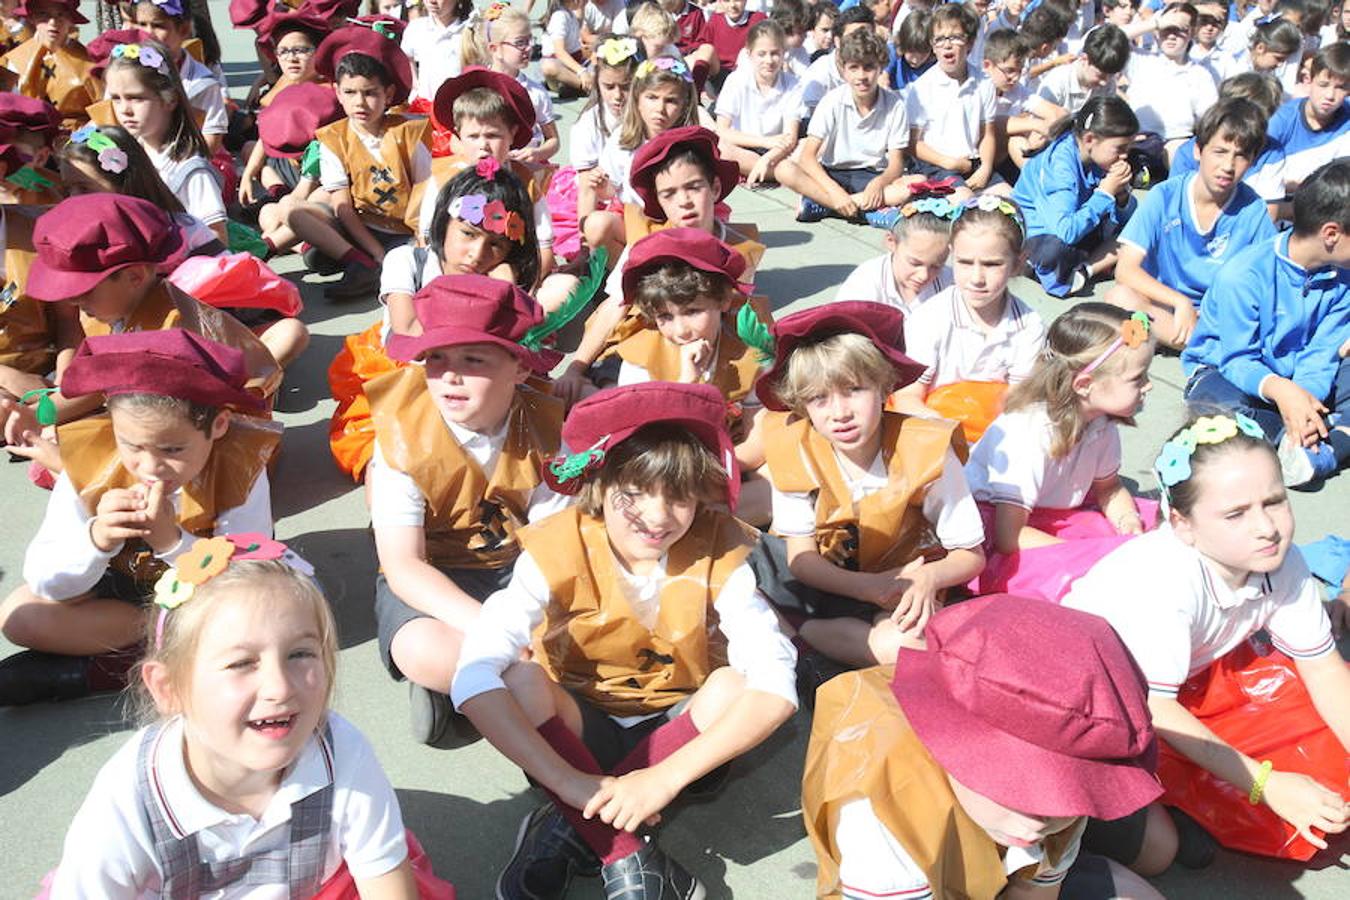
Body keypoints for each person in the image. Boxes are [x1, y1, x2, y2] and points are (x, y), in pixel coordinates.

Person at [450, 381, 796, 899]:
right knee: (519, 678)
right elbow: (472, 675)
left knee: (733, 684)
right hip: (580, 727)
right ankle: (628, 855)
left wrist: (662, 779)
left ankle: (569, 829)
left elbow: (776, 687)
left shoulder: (721, 548)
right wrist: (573, 783)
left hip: (676, 727)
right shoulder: (556, 542)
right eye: (633, 492)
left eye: (678, 496)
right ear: (600, 478)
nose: (656, 516)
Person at [46, 535, 454, 897]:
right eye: (241, 663)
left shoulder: (342, 751)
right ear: (170, 689)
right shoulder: (129, 796)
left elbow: (387, 885)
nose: (279, 687)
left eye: (300, 654)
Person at [1065, 414, 1350, 864]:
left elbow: (1325, 669)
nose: (1266, 527)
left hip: (1174, 687)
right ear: (1181, 523)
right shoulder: (1165, 583)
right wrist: (1266, 784)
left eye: (1274, 501)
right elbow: (1154, 709)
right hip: (1093, 709)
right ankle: (1148, 814)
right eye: (1236, 513)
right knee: (1158, 852)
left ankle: (1185, 805)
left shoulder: (1280, 559)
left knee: (1320, 743)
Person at [803, 595, 1166, 900]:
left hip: (989, 861)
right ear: (950, 741)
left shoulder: (1056, 802)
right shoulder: (880, 810)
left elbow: (1034, 893)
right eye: (1016, 791)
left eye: (1065, 794)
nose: (1037, 821)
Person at [0, 330, 281, 707]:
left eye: (172, 448)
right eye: (131, 445)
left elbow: (249, 579)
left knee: (261, 615)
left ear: (218, 425)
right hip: (125, 601)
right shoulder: (91, 461)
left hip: (207, 601)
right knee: (18, 615)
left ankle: (112, 668)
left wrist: (171, 542)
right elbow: (46, 579)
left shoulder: (239, 466)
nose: (150, 467)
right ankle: (167, 653)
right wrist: (97, 538)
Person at [368, 275, 568, 745]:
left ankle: (474, 698)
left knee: (580, 635)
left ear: (520, 368)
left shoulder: (548, 429)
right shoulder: (400, 434)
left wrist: (525, 625)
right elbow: (403, 565)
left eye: (473, 359)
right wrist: (497, 634)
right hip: (438, 576)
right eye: (435, 358)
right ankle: (481, 688)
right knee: (420, 649)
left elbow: (554, 550)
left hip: (520, 572)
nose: (450, 376)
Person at [750, 302, 985, 674]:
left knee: (907, 646)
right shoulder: (792, 446)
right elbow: (802, 558)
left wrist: (930, 577)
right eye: (818, 398)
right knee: (743, 570)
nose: (839, 412)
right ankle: (806, 632)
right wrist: (865, 586)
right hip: (826, 577)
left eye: (854, 390)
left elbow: (970, 555)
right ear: (801, 404)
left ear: (884, 386)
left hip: (905, 582)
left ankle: (805, 637)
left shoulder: (927, 451)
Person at [329, 163, 546, 481]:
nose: (477, 254)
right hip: (407, 370)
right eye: (468, 234)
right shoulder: (406, 261)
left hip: (475, 375)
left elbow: (512, 346)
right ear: (444, 224)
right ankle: (390, 516)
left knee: (531, 441)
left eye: (496, 244)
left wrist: (504, 290)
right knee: (389, 454)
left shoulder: (501, 275)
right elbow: (410, 334)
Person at [14, 193, 281, 429]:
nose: (73, 301)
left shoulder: (165, 328)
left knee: (66, 452)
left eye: (85, 290)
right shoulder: (122, 306)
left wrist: (33, 417)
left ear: (135, 276)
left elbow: (97, 389)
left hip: (214, 438)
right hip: (166, 423)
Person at [964, 303, 1159, 602]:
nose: (1148, 387)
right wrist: (1086, 554)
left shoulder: (1100, 424)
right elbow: (1008, 537)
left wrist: (1127, 521)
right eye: (1137, 378)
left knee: (1147, 531)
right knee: (1085, 579)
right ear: (1084, 385)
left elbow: (1108, 488)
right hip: (998, 529)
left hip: (1053, 517)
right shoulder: (1030, 434)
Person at [1182, 159, 1350, 488]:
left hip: (1299, 383)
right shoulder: (1243, 275)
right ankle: (1321, 439)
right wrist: (1283, 392)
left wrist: (1302, 400)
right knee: (1216, 414)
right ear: (1331, 233)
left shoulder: (1343, 279)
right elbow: (1237, 359)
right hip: (1231, 375)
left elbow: (1323, 354)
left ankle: (1313, 443)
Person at [1108, 98, 1277, 350]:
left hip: (1215, 318)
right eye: (1219, 152)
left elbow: (1268, 282)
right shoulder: (1165, 196)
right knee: (1119, 298)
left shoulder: (1254, 210)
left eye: (1240, 156)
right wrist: (1180, 302)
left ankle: (1190, 344)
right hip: (1164, 305)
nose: (1228, 166)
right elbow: (1125, 270)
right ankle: (1201, 348)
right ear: (1198, 150)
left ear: (1252, 160)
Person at [287, 23, 430, 300]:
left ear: (387, 94)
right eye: (350, 93)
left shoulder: (409, 132)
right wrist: (375, 252)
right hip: (363, 228)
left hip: (406, 231)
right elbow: (343, 206)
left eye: (370, 93)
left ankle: (367, 267)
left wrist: (421, 240)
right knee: (294, 213)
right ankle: (362, 263)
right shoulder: (334, 138)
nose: (360, 103)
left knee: (412, 268)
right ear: (338, 93)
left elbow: (425, 192)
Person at [893, 196, 1046, 446]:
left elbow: (1020, 406)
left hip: (998, 444)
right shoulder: (930, 319)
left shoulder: (1029, 326)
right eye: (964, 262)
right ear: (952, 254)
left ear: (1018, 262)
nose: (976, 277)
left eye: (992, 264)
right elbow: (907, 398)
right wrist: (949, 436)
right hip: (933, 439)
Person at [416, 66, 557, 284]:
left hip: (504, 274)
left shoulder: (525, 182)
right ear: (458, 135)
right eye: (473, 136)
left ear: (512, 134)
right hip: (451, 272)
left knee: (563, 287)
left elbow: (544, 247)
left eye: (493, 135)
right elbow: (426, 239)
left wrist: (524, 288)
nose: (483, 146)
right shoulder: (442, 178)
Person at [777, 26, 918, 228]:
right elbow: (808, 156)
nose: (861, 76)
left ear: (881, 67)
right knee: (784, 169)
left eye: (869, 67)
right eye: (854, 68)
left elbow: (896, 163)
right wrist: (835, 193)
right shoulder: (832, 101)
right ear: (843, 70)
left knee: (911, 186)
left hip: (871, 175)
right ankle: (866, 211)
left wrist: (878, 184)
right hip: (833, 173)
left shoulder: (894, 105)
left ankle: (826, 206)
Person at [578, 54, 702, 263]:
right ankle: (629, 280)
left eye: (671, 101)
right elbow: (615, 191)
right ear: (637, 99)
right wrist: (602, 187)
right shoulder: (623, 140)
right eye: (652, 97)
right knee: (596, 224)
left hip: (678, 223)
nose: (660, 109)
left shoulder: (690, 144)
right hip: (634, 221)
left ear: (685, 105)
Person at [102, 38, 228, 243]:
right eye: (116, 98)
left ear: (169, 99)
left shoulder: (189, 169)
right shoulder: (129, 154)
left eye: (136, 98)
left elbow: (217, 237)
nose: (124, 109)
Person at [1014, 96, 1140, 297]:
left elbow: (1129, 218)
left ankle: (1086, 270)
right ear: (1090, 139)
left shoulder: (1098, 158)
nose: (1125, 156)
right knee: (1056, 251)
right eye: (1120, 149)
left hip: (1080, 224)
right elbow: (1066, 231)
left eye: (1128, 149)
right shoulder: (1060, 166)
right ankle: (1082, 267)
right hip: (1041, 237)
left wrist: (1122, 196)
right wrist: (1106, 192)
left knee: (1143, 227)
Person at [906, 4, 1000, 191]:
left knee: (1010, 201)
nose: (947, 45)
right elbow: (913, 143)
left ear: (970, 43)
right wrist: (948, 162)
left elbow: (987, 134)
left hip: (973, 162)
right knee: (964, 201)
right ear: (933, 46)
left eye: (955, 37)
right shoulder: (922, 88)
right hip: (937, 164)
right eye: (939, 39)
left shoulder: (984, 82)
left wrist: (986, 167)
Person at [1121, 3, 1220, 164]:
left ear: (1191, 33)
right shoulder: (1140, 60)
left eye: (1180, 30)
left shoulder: (1200, 74)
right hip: (1137, 141)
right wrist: (1156, 23)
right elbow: (1108, 38)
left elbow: (1210, 119)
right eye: (1168, 29)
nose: (1172, 36)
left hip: (1177, 143)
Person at [128, 0, 229, 155]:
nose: (148, 33)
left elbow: (212, 136)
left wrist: (178, 164)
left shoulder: (201, 82)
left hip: (187, 160)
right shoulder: (126, 70)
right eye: (142, 24)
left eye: (158, 25)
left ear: (184, 29)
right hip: (137, 162)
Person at [833, 185, 954, 313]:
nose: (923, 275)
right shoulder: (864, 284)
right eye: (915, 263)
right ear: (891, 242)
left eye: (937, 266)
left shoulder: (951, 282)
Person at [468, 2, 561, 163]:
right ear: (494, 49)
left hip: (525, 168)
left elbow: (553, 140)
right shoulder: (477, 87)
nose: (528, 47)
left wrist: (537, 153)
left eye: (530, 40)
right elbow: (458, 138)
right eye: (520, 42)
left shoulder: (535, 92)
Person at [714, 18, 802, 186]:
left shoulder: (793, 84)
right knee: (720, 149)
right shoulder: (736, 80)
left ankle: (765, 171)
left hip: (779, 152)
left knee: (810, 147)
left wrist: (767, 158)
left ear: (784, 53)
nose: (769, 61)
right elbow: (722, 131)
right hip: (744, 147)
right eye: (761, 54)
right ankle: (781, 174)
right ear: (749, 54)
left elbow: (790, 137)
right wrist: (764, 142)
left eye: (775, 53)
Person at [0, 0, 99, 131]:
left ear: (71, 19)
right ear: (32, 18)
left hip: (78, 142)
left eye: (60, 15)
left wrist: (82, 137)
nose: (52, 23)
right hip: (29, 139)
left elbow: (104, 111)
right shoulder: (13, 61)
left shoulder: (90, 63)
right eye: (43, 15)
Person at [569, 32, 639, 172]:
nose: (618, 95)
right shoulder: (587, 125)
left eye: (626, 86)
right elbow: (587, 185)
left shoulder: (647, 116)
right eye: (609, 87)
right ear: (597, 83)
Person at [1031, 22, 1131, 119]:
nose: (1104, 82)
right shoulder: (1057, 83)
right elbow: (1039, 127)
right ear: (1084, 59)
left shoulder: (1108, 84)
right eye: (1100, 75)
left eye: (1111, 75)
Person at [401, 0, 474, 103]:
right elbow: (408, 63)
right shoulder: (416, 29)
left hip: (460, 108)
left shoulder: (471, 30)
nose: (432, 1)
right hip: (424, 109)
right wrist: (416, 90)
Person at [542, 0, 592, 94]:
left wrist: (582, 6)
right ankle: (589, 87)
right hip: (561, 68)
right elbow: (559, 52)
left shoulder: (569, 13)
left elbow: (579, 21)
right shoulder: (559, 16)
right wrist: (581, 71)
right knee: (549, 67)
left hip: (575, 62)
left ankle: (578, 87)